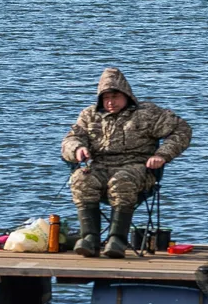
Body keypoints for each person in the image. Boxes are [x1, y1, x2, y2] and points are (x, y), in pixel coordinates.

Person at [62, 67, 191, 258]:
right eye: (106, 98)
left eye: (115, 96)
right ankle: (90, 239)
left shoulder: (147, 113)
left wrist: (162, 155)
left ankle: (117, 240)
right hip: (99, 167)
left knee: (121, 180)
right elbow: (70, 139)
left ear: (126, 95)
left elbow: (182, 130)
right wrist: (77, 149)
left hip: (138, 168)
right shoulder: (89, 115)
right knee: (81, 178)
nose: (110, 102)